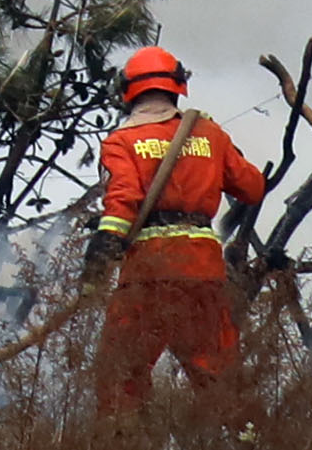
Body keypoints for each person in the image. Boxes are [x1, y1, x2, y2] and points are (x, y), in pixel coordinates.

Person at [90, 43, 264, 410]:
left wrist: (105, 243)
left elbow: (123, 198)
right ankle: (250, 438)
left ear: (127, 91)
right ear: (178, 86)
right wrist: (218, 151)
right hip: (203, 272)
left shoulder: (122, 141)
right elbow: (252, 187)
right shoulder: (209, 133)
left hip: (147, 274)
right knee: (222, 381)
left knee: (121, 377)